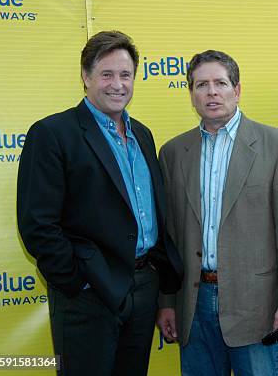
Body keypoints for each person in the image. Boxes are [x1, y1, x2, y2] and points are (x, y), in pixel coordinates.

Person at [16, 30, 183, 376]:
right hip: (89, 292)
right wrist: (78, 282)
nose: (117, 84)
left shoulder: (143, 134)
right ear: (86, 76)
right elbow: (37, 223)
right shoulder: (52, 133)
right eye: (107, 74)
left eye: (125, 75)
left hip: (142, 286)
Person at [155, 50, 278, 376]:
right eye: (201, 85)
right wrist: (167, 302)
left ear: (236, 90)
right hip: (193, 306)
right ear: (191, 94)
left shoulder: (277, 145)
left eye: (220, 83)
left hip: (257, 305)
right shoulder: (172, 153)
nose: (211, 92)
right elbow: (167, 239)